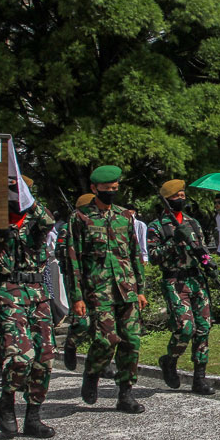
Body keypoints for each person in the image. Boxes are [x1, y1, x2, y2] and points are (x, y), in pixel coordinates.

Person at [65, 165, 148, 414]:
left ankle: (125, 393)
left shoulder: (125, 216)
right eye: (106, 189)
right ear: (94, 188)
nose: (111, 192)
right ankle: (92, 373)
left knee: (131, 341)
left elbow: (135, 254)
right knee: (106, 340)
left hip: (127, 289)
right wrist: (77, 297)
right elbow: (73, 261)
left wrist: (141, 289)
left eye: (115, 188)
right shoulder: (80, 218)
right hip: (98, 290)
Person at [0, 175, 58, 438]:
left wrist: (27, 197)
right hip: (9, 291)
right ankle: (7, 399)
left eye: (18, 191)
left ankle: (33, 416)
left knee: (45, 357)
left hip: (37, 291)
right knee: (21, 356)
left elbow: (49, 221)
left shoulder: (35, 220)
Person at [147, 179, 216, 395]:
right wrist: (174, 241)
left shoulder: (192, 222)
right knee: (185, 328)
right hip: (175, 282)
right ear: (167, 200)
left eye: (183, 195)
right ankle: (170, 360)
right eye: (177, 196)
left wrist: (209, 263)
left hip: (197, 280)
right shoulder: (156, 227)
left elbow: (201, 248)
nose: (182, 199)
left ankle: (199, 379)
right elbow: (154, 258)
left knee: (204, 328)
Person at [57, 193, 95, 371]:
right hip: (76, 279)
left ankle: (99, 362)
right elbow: (60, 252)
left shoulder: (98, 225)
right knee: (82, 322)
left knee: (101, 323)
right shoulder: (67, 228)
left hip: (97, 279)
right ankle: (71, 344)